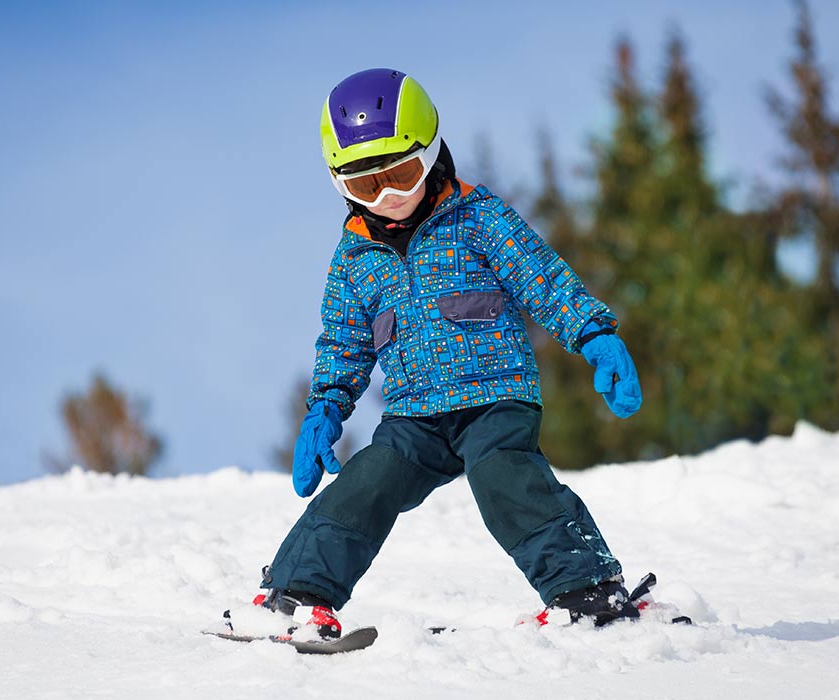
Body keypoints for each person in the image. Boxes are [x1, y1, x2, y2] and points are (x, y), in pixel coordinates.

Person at [235, 68, 643, 640]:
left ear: (431, 155)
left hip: (494, 396)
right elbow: (343, 344)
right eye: (366, 185)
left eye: (401, 175)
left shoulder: (480, 217)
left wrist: (595, 337)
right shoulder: (354, 260)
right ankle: (297, 595)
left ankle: (588, 591)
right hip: (414, 416)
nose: (388, 197)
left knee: (507, 479)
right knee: (363, 485)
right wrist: (325, 408)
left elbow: (543, 280)